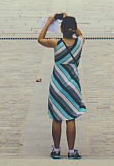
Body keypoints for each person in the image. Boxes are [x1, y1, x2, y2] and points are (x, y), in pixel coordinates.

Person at [38, 13, 85, 159]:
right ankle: (71, 151)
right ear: (74, 28)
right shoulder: (80, 42)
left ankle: (57, 150)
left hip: (57, 85)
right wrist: (69, 19)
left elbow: (40, 39)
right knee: (71, 118)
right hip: (72, 86)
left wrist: (50, 21)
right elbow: (80, 34)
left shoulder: (56, 43)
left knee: (56, 118)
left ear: (62, 29)